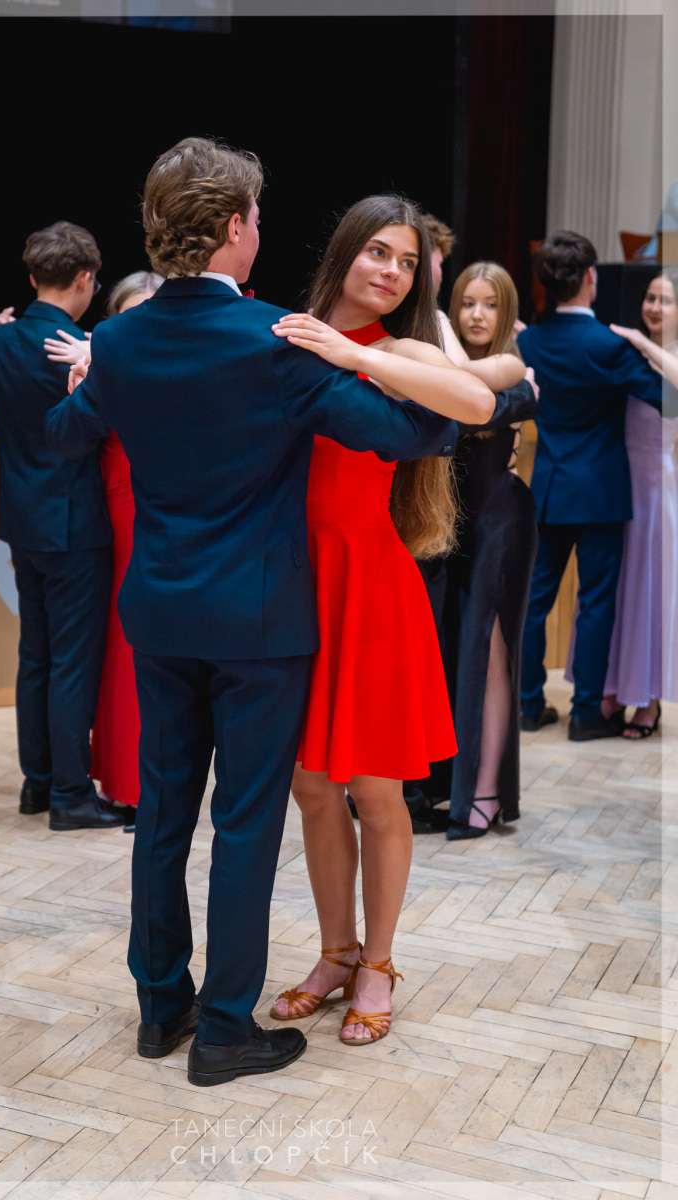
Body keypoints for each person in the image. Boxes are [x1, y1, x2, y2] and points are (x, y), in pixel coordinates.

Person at [45, 137, 494, 1087]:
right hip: (260, 622)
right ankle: (223, 1032)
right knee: (246, 824)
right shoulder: (273, 340)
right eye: (255, 217)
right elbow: (416, 432)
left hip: (160, 615)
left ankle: (159, 1008)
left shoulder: (119, 341)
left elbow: (64, 439)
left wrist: (90, 383)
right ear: (235, 227)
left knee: (163, 817)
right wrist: (387, 377)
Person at [267, 203, 526, 1042]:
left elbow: (477, 401)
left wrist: (353, 355)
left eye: (408, 262)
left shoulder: (400, 351)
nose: (391, 271)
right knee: (311, 786)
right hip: (293, 583)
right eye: (378, 252)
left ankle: (377, 963)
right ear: (346, 251)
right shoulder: (286, 332)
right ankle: (336, 952)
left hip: (369, 585)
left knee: (375, 790)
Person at [0, 221, 135, 831]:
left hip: (21, 524)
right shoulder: (88, 347)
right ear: (86, 279)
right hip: (78, 526)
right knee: (73, 664)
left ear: (32, 277)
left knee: (36, 656)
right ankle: (71, 796)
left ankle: (36, 785)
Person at [517, 231, 675, 741]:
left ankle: (528, 705)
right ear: (591, 277)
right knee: (597, 603)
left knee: (533, 602)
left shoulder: (530, 341)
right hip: (604, 491)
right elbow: (669, 401)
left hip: (548, 488)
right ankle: (587, 714)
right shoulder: (610, 344)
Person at [44, 271, 164, 819]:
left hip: (175, 502)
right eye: (132, 314)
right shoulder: (101, 362)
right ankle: (129, 782)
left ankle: (143, 778)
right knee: (127, 642)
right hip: (127, 504)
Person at [436, 262, 538, 837]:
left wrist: (435, 330)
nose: (477, 315)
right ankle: (448, 785)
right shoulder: (447, 361)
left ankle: (487, 793)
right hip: (451, 523)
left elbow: (458, 381)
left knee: (493, 653)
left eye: (491, 304)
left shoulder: (511, 366)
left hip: (502, 521)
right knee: (455, 650)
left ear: (507, 312)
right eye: (468, 303)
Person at [566, 268, 678, 736]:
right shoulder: (625, 350)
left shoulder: (659, 352)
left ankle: (648, 699)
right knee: (612, 588)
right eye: (649, 298)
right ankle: (611, 687)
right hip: (615, 480)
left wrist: (642, 343)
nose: (653, 307)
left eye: (665, 300)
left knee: (650, 591)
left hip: (655, 486)